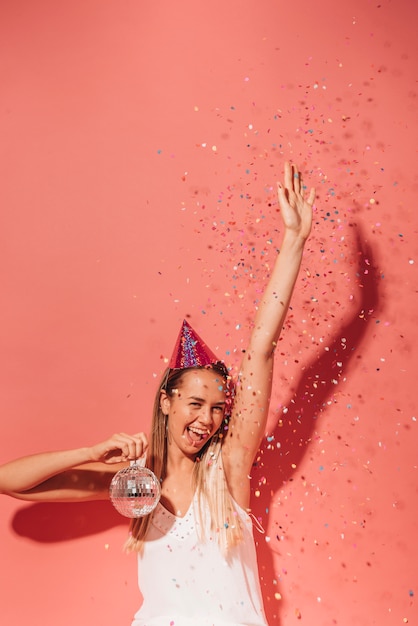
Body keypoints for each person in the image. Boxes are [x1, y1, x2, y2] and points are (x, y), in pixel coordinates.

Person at [0, 162, 315, 626]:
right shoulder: (137, 487)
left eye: (216, 408)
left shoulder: (229, 468)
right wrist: (90, 452)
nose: (206, 420)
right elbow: (11, 482)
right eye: (194, 403)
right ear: (166, 402)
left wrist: (294, 240)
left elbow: (262, 346)